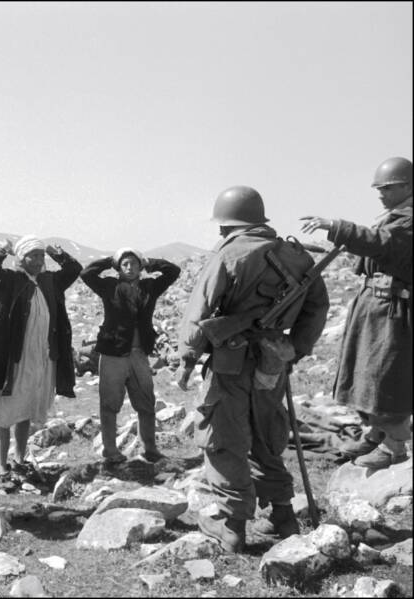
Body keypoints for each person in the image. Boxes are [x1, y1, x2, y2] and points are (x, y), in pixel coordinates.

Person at [178, 186, 329, 553]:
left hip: (230, 363)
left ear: (229, 224)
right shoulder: (296, 257)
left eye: (222, 225)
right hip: (272, 362)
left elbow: (199, 315)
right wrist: (294, 349)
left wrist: (187, 356)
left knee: (224, 437)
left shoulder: (230, 255)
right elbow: (317, 308)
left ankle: (232, 526)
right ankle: (283, 515)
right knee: (266, 435)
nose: (219, 232)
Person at [300, 156, 413, 470]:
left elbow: (380, 243)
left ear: (408, 186)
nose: (380, 193)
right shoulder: (395, 214)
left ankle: (394, 447)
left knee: (387, 377)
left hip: (394, 311)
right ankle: (375, 432)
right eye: (379, 187)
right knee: (366, 374)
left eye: (388, 187)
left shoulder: (408, 220)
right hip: (377, 308)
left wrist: (335, 227)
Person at [0, 235, 81, 476]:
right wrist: (3, 250)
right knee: (5, 412)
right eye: (33, 255)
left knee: (27, 409)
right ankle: (1, 465)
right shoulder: (10, 281)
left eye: (41, 255)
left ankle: (19, 459)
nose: (38, 259)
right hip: (15, 359)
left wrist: (58, 254)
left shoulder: (50, 281)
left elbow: (75, 269)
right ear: (22, 258)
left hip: (41, 357)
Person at [81, 247, 181, 464]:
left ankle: (150, 448)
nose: (130, 267)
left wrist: (150, 262)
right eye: (125, 264)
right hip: (113, 353)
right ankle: (110, 450)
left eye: (134, 263)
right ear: (118, 267)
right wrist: (111, 259)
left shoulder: (149, 287)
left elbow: (173, 271)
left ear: (140, 267)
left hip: (139, 354)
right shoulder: (109, 286)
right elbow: (86, 274)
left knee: (146, 402)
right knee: (109, 404)